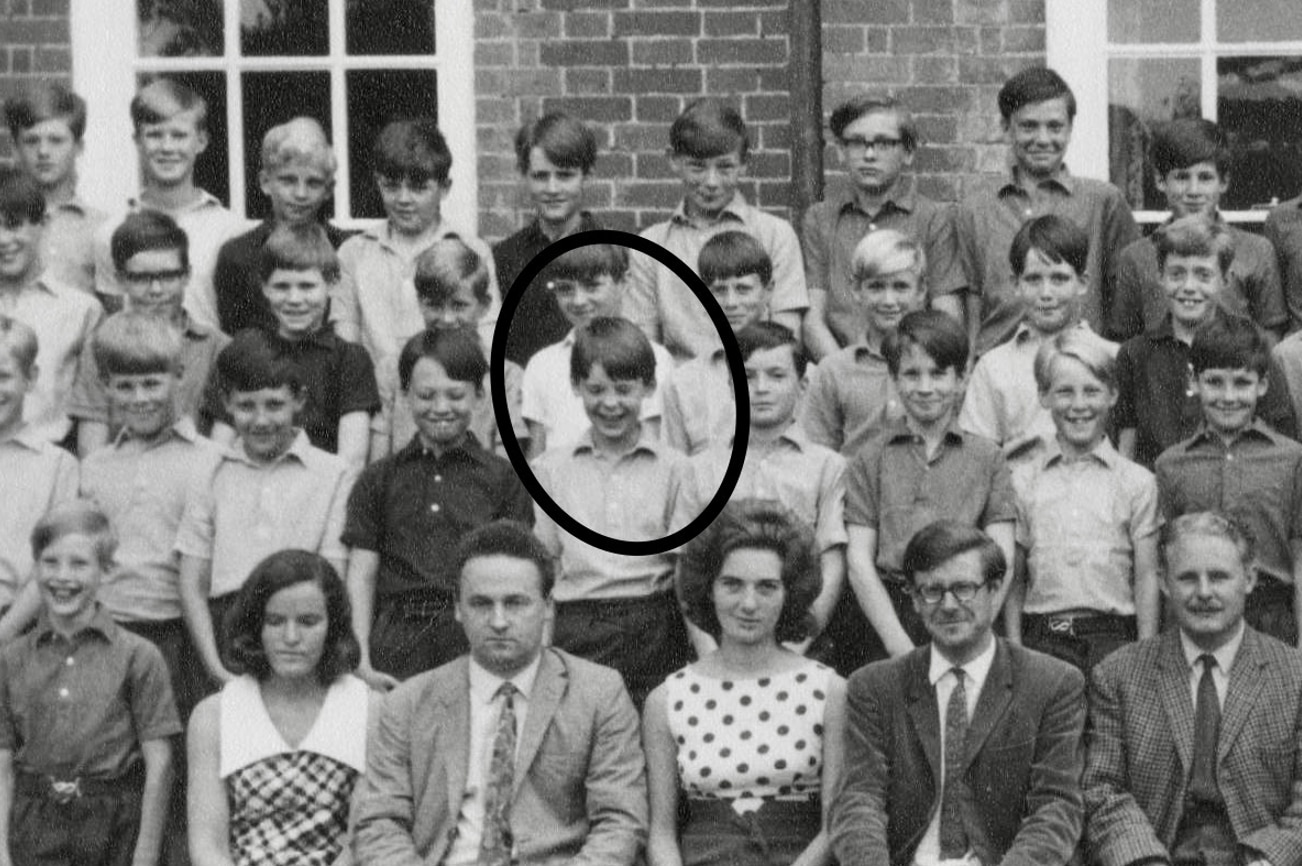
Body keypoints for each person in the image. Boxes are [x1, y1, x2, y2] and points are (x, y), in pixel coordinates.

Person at [352, 520, 647, 866]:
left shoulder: (598, 693)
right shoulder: (408, 702)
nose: (499, 621)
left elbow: (621, 822)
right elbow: (378, 822)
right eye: (481, 604)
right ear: (458, 608)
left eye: (516, 603)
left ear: (548, 606)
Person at [831, 520, 1086, 866]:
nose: (948, 605)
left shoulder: (1053, 684)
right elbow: (859, 801)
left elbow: (1056, 807)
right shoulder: (874, 687)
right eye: (931, 591)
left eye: (964, 588)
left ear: (995, 589)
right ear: (915, 600)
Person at [1084, 512, 1302, 866]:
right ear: (1164, 584)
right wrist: (1144, 858)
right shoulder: (1119, 674)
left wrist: (1271, 859)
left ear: (1249, 579)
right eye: (1187, 578)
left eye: (1218, 577)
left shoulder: (1294, 675)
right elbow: (1102, 789)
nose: (1203, 592)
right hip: (1158, 854)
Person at [644, 499, 846, 866]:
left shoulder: (828, 691)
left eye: (767, 587)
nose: (748, 604)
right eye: (732, 584)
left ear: (790, 593)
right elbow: (660, 833)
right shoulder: (668, 699)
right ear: (709, 588)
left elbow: (834, 825)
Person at [344, 327, 534, 688]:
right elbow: (362, 574)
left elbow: (517, 573)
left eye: (456, 395)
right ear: (404, 396)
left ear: (479, 397)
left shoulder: (503, 478)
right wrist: (362, 660)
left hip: (471, 636)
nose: (441, 408)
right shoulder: (378, 478)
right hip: (395, 638)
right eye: (426, 395)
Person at [0, 501, 179, 866]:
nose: (63, 577)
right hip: (33, 825)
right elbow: (2, 763)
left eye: (79, 564)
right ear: (34, 568)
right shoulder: (11, 659)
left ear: (105, 571)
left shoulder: (139, 656)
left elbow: (160, 765)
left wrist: (144, 856)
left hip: (112, 826)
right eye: (50, 562)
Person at [176, 330, 354, 694]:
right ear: (226, 402)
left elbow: (333, 580)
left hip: (299, 630)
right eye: (246, 406)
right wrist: (215, 667)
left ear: (299, 400)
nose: (260, 420)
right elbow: (192, 583)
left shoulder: (333, 474)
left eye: (274, 405)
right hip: (227, 635)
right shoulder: (209, 471)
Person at [531, 316, 693, 707]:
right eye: (596, 389)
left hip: (654, 619)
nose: (610, 403)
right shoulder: (549, 471)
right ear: (576, 387)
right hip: (579, 622)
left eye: (624, 389)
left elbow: (685, 570)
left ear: (648, 388)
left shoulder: (675, 468)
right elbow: (546, 567)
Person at [841, 310, 1016, 672]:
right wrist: (898, 646)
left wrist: (971, 633)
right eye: (911, 374)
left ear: (962, 379)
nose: (925, 387)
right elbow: (859, 560)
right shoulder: (869, 458)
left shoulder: (987, 458)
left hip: (964, 609)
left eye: (938, 374)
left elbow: (1003, 560)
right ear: (893, 380)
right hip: (889, 614)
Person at [188, 549, 376, 866]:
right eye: (275, 621)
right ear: (255, 626)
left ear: (333, 626)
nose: (291, 637)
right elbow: (208, 846)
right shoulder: (214, 715)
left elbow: (362, 842)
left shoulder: (369, 709)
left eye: (308, 621)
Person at [672, 323, 846, 659]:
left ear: (803, 384)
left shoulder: (827, 467)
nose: (761, 388)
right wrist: (712, 655)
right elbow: (686, 567)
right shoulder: (700, 469)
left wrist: (793, 652)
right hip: (718, 643)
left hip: (802, 646)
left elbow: (832, 563)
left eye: (777, 376)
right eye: (748, 376)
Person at [957, 66, 1139, 358]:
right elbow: (972, 300)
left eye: (1054, 127)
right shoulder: (976, 208)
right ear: (1006, 128)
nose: (1042, 139)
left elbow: (1126, 299)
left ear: (1069, 129)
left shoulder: (1103, 202)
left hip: (1079, 367)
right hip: (1000, 367)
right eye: (1028, 126)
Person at [1009, 331, 1161, 673]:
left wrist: (1145, 653)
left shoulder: (1137, 483)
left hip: (1112, 638)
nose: (1079, 405)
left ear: (1112, 395)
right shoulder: (1023, 480)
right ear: (1044, 396)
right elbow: (1015, 578)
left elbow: (1146, 577)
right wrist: (1014, 648)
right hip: (1042, 638)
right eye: (1064, 391)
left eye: (1092, 391)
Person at [1155, 316, 1302, 646]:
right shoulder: (1171, 465)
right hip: (1197, 614)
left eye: (1241, 383)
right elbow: (1168, 559)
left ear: (1262, 384)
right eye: (1215, 382)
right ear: (1194, 380)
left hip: (1271, 616)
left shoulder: (1292, 459)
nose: (1228, 396)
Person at [625, 98, 808, 363]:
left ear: (744, 164)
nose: (711, 182)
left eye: (725, 167)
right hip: (681, 392)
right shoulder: (651, 246)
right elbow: (645, 348)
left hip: (753, 385)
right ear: (674, 160)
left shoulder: (775, 235)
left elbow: (787, 336)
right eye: (697, 167)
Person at [1115, 215, 1295, 470]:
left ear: (1224, 278)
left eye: (1203, 275)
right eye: (1177, 273)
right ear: (1160, 276)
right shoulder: (1134, 355)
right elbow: (1125, 450)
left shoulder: (1255, 347)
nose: (1189, 287)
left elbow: (1281, 444)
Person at [801, 94, 964, 361]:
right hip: (841, 366)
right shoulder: (820, 219)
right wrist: (845, 374)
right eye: (856, 143)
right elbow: (812, 321)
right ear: (841, 151)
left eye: (884, 143)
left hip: (912, 368)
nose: (869, 154)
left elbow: (946, 315)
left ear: (908, 153)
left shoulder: (933, 218)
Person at [205, 223, 379, 468]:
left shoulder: (349, 359)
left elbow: (352, 459)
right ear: (265, 287)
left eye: (307, 286)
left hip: (322, 492)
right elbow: (219, 448)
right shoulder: (242, 351)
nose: (295, 299)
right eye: (282, 287)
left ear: (331, 284)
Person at [332, 119, 499, 370]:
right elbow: (346, 344)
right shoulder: (354, 253)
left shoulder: (472, 250)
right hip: (375, 396)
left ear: (444, 188)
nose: (403, 199)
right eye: (391, 186)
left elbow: (487, 336)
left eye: (418, 188)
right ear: (378, 182)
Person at [1111, 119, 1285, 343]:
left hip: (1230, 373)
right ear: (1160, 180)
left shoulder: (1257, 251)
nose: (1194, 191)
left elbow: (1272, 335)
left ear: (1224, 182)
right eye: (1182, 177)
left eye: (1205, 178)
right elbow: (1125, 340)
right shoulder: (1136, 257)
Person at [71, 210, 230, 454]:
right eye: (141, 278)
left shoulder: (216, 347)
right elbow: (91, 447)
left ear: (187, 275)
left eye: (168, 276)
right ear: (120, 280)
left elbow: (222, 448)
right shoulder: (100, 346)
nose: (156, 290)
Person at [93, 78, 247, 330]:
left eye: (179, 135)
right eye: (154, 135)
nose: (167, 147)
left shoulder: (230, 230)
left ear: (201, 141)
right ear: (137, 141)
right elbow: (116, 322)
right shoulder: (109, 233)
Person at [960, 214, 1118, 458]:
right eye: (1034, 279)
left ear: (1082, 282)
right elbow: (977, 463)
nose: (1046, 293)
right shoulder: (994, 367)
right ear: (1016, 284)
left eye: (1059, 279)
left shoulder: (1113, 358)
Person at [369, 236, 528, 461]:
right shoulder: (391, 371)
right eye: (434, 305)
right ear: (420, 302)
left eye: (459, 305)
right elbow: (378, 465)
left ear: (484, 306)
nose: (446, 318)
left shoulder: (506, 377)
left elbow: (508, 469)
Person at [521, 243, 674, 458]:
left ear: (624, 282)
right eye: (566, 289)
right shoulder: (542, 364)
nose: (578, 300)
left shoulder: (655, 357)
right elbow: (537, 453)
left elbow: (652, 445)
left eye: (592, 286)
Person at [214, 117, 354, 336]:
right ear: (265, 182)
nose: (300, 194)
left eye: (313, 183)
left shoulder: (347, 250)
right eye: (288, 181)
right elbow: (234, 338)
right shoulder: (238, 255)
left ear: (329, 189)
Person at [0, 166, 103, 444]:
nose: (3, 240)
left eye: (13, 225)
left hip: (49, 464)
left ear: (42, 224)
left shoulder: (81, 311)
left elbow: (93, 413)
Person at [797, 228, 920, 457]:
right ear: (856, 290)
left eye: (901, 286)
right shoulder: (834, 371)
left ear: (921, 290)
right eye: (876, 287)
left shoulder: (940, 367)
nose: (889, 300)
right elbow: (816, 459)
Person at [497, 112, 603, 366]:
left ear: (587, 176)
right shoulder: (504, 256)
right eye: (541, 176)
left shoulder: (612, 251)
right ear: (524, 176)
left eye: (565, 175)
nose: (552, 189)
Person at [0, 316, 78, 626]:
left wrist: (4, 635)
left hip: (16, 625)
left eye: (3, 376)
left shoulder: (58, 466)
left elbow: (53, 562)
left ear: (30, 377)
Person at [662, 230, 769, 455]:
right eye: (719, 290)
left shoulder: (799, 375)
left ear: (768, 291)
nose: (731, 302)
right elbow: (676, 470)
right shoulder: (683, 382)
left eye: (743, 289)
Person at [3, 81, 107, 295]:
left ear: (78, 147)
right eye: (31, 141)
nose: (43, 151)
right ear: (14, 149)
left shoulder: (100, 230)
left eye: (56, 141)